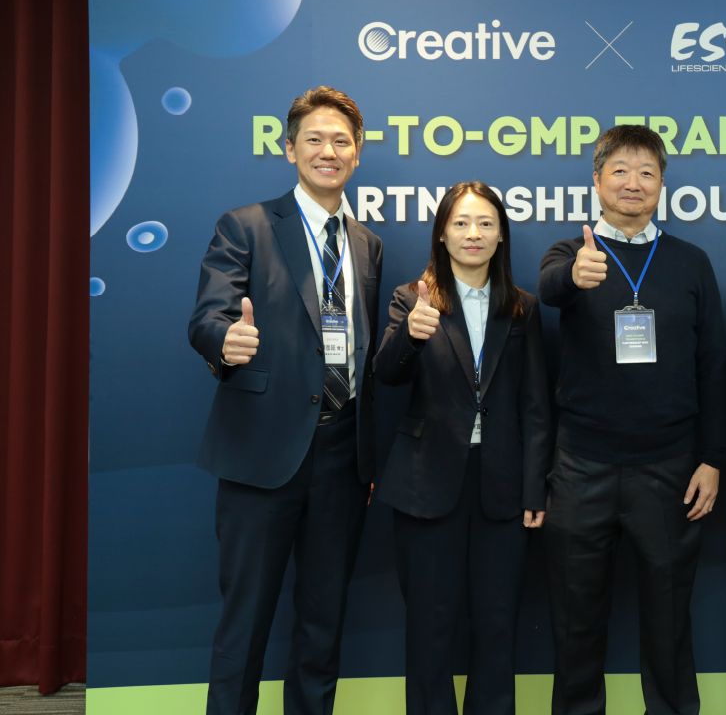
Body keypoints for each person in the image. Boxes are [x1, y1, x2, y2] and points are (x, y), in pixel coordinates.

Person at [188, 86, 382, 715]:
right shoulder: (245, 225)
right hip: (262, 452)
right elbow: (208, 317)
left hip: (342, 456)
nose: (329, 151)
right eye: (315, 139)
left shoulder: (366, 244)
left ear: (357, 153)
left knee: (324, 623)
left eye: (341, 141)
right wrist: (226, 341)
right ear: (290, 149)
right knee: (244, 623)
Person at [538, 124, 726, 715]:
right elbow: (549, 289)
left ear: (661, 185)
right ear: (597, 181)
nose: (633, 183)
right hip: (582, 466)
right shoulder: (570, 253)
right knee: (575, 620)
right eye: (619, 170)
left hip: (669, 468)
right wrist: (574, 277)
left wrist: (712, 458)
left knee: (669, 620)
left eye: (647, 172)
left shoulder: (690, 262)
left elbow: (713, 365)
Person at [373, 181, 551, 715]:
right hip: (426, 484)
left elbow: (536, 404)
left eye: (486, 224)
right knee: (430, 627)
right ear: (442, 234)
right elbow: (386, 375)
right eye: (461, 223)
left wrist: (535, 487)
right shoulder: (413, 298)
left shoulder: (521, 308)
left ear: (501, 237)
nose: (473, 234)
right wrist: (410, 334)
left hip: (502, 485)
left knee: (497, 625)